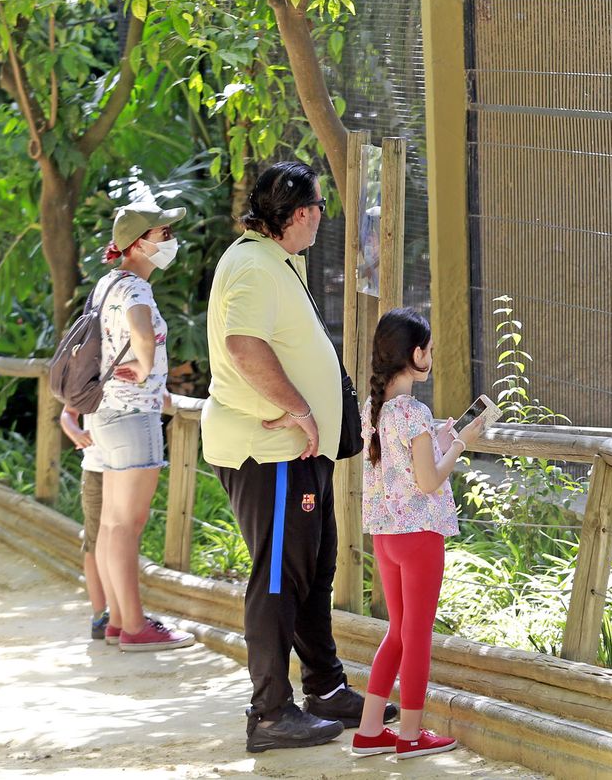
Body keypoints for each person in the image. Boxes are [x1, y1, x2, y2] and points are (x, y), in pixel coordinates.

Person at [203, 161, 393, 753]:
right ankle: (269, 712)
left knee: (312, 569)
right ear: (304, 213)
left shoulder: (273, 261)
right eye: (316, 213)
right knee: (281, 579)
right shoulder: (256, 266)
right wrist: (299, 410)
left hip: (296, 452)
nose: (318, 224)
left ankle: (326, 688)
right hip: (273, 451)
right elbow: (242, 345)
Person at [349, 308, 482, 761]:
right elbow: (428, 482)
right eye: (429, 349)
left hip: (386, 537)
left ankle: (370, 731)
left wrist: (439, 440)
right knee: (418, 636)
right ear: (416, 354)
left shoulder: (375, 408)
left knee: (398, 632)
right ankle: (409, 735)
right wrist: (461, 444)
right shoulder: (414, 411)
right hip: (420, 536)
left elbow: (406, 469)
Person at [86, 199, 194, 653]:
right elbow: (142, 332)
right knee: (128, 526)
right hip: (134, 414)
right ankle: (133, 625)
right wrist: (149, 368)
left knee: (113, 524)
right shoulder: (135, 290)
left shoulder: (106, 284)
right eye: (162, 234)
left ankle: (117, 620)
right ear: (137, 244)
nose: (169, 240)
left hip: (107, 413)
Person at [59, 407, 110, 641]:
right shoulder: (88, 372)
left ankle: (121, 610)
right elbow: (68, 412)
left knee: (123, 540)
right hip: (96, 470)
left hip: (130, 467)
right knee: (94, 542)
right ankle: (100, 614)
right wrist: (76, 433)